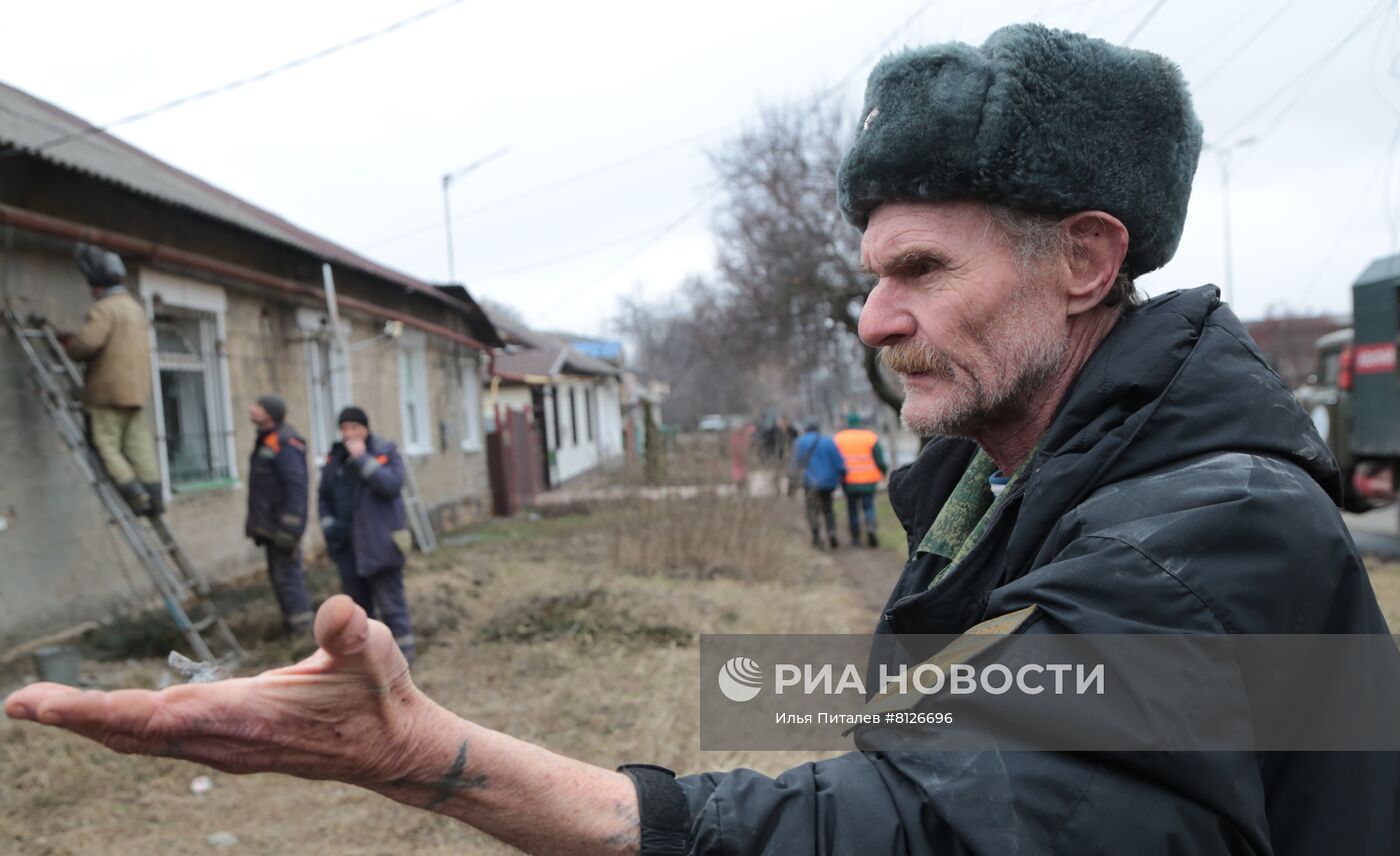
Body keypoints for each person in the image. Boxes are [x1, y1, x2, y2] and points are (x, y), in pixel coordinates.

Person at [9, 23, 1400, 855]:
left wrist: (430, 760)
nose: (875, 317)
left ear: (1087, 260)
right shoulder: (1100, 494)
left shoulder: (1191, 537)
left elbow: (932, 832)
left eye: (921, 271)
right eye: (870, 276)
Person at [61, 243, 162, 515]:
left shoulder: (105, 309)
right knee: (139, 447)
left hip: (105, 394)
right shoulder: (136, 309)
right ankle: (156, 497)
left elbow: (87, 343)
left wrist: (70, 346)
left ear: (96, 285)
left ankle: (136, 496)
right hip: (136, 394)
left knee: (105, 445)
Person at [317, 406, 416, 664]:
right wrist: (330, 529)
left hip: (380, 543)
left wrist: (362, 459)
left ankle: (403, 659)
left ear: (365, 428)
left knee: (392, 605)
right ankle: (370, 662)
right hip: (348, 545)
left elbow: (391, 485)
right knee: (359, 611)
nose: (349, 434)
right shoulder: (335, 458)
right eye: (344, 428)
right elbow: (324, 495)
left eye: (354, 427)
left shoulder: (384, 451)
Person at [244, 394, 312, 635]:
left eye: (258, 406)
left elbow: (296, 486)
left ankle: (303, 633)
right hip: (271, 526)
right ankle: (292, 628)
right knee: (280, 578)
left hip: (282, 527)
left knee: (289, 578)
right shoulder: (267, 439)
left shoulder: (284, 441)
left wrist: (290, 528)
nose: (252, 409)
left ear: (270, 414)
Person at [833, 411, 888, 548]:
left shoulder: (839, 438)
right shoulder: (870, 437)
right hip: (868, 480)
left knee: (852, 508)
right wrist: (884, 471)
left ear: (848, 423)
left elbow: (836, 460)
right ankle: (870, 527)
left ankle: (856, 537)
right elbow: (879, 459)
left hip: (848, 481)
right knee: (868, 505)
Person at [791, 420, 845, 548]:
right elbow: (839, 463)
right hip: (828, 482)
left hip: (810, 483)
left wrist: (792, 480)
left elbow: (794, 464)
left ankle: (816, 535)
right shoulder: (829, 441)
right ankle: (831, 532)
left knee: (812, 509)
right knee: (828, 508)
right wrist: (842, 477)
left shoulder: (799, 442)